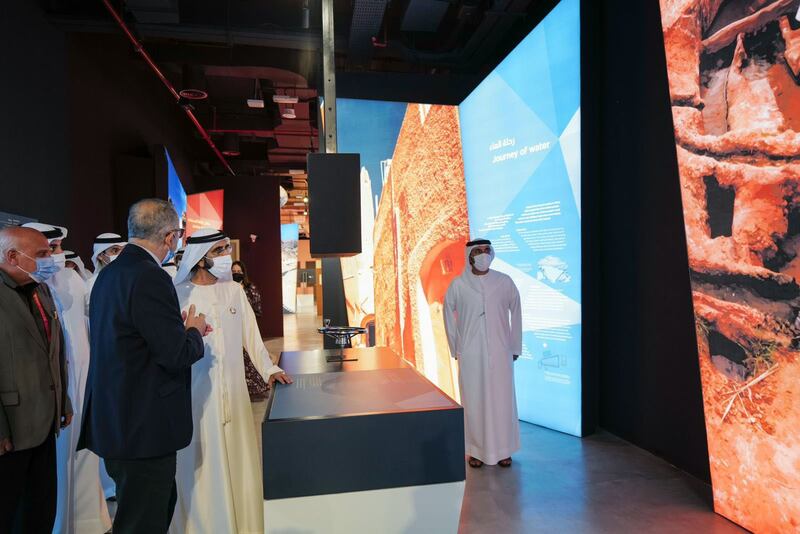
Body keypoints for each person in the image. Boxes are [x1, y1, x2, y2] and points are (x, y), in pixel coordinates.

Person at [78, 199, 209, 534]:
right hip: (143, 426)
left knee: (141, 513)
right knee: (144, 521)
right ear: (169, 236)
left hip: (120, 421)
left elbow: (132, 340)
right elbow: (175, 354)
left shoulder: (110, 273)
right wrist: (193, 331)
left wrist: (173, 331)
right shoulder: (150, 276)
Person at [171, 228, 292, 534]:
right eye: (220, 251)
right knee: (199, 461)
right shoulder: (178, 293)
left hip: (235, 393)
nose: (227, 257)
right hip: (194, 394)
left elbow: (251, 335)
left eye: (226, 249)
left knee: (236, 458)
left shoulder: (234, 291)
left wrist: (269, 369)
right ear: (200, 260)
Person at [22, 223, 112, 534]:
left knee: (84, 456)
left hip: (83, 383)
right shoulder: (25, 288)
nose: (58, 256)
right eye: (51, 249)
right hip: (48, 394)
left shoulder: (73, 279)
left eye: (59, 248)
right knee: (55, 467)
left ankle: (88, 523)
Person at [0, 226, 72, 534]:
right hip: (9, 431)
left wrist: (63, 399)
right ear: (12, 256)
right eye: (42, 254)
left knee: (40, 510)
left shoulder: (41, 289)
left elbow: (55, 351)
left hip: (44, 423)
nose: (51, 260)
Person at [444, 238, 522, 469]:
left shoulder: (504, 282)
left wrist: (515, 346)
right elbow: (448, 315)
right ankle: (475, 451)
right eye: (478, 251)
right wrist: (456, 347)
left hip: (500, 352)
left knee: (502, 401)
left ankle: (503, 450)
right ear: (469, 255)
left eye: (487, 250)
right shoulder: (458, 285)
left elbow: (516, 311)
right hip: (470, 355)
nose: (483, 254)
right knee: (475, 402)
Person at [232, 259, 272, 454]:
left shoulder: (248, 288)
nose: (236, 273)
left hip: (247, 331)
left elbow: (256, 307)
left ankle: (256, 387)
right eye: (234, 271)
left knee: (251, 360)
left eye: (239, 271)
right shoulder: (228, 289)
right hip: (233, 335)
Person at [85, 233, 127, 304]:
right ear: (100, 255)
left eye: (123, 250)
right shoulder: (92, 284)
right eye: (115, 250)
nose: (121, 255)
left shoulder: (131, 278)